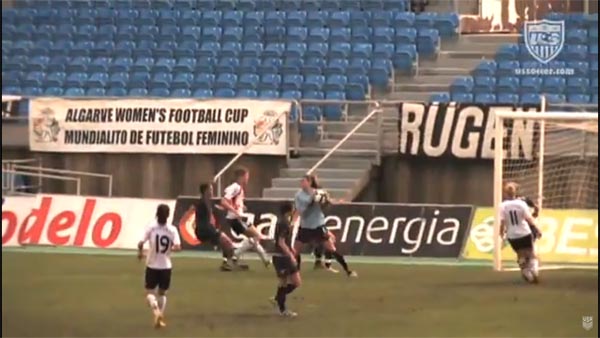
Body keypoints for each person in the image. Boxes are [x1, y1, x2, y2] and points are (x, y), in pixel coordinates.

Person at [293, 174, 357, 277]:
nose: (301, 183)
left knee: (331, 248)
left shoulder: (319, 193)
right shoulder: (299, 195)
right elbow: (301, 210)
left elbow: (327, 203)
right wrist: (311, 201)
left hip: (318, 225)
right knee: (296, 249)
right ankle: (296, 272)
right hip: (305, 226)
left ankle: (348, 270)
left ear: (309, 182)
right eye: (301, 181)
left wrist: (333, 201)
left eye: (303, 181)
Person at [137, 204, 181, 329]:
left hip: (152, 265)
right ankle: (160, 317)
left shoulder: (151, 227)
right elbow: (178, 247)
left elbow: (140, 243)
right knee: (162, 293)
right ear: (168, 215)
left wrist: (140, 254)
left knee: (149, 292)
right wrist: (168, 250)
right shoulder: (172, 230)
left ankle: (156, 311)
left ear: (157, 214)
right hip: (166, 266)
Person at [220, 167, 270, 268]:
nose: (248, 179)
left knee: (254, 238)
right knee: (255, 237)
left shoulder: (238, 188)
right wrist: (235, 211)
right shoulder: (235, 187)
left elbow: (233, 202)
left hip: (237, 218)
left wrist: (241, 207)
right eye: (247, 176)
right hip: (235, 219)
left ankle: (266, 260)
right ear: (241, 177)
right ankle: (235, 255)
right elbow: (223, 201)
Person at [191, 183, 248, 272]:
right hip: (206, 229)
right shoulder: (202, 203)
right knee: (228, 243)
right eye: (210, 189)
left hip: (205, 229)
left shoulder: (206, 202)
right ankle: (233, 263)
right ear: (206, 191)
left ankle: (227, 264)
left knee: (225, 244)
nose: (212, 191)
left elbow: (214, 210)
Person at [500, 182, 543, 284]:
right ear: (515, 192)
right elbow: (529, 219)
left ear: (505, 193)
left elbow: (502, 222)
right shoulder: (522, 203)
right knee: (531, 253)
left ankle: (526, 273)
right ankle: (534, 271)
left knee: (520, 254)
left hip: (512, 235)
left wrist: (501, 233)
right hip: (524, 232)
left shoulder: (502, 206)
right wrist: (537, 228)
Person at [270, 201, 301, 317]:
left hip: (279, 256)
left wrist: (291, 248)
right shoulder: (284, 223)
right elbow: (281, 242)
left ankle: (279, 303)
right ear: (289, 210)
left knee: (284, 282)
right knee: (295, 282)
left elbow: (282, 240)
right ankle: (281, 306)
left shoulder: (282, 221)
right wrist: (290, 255)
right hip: (282, 257)